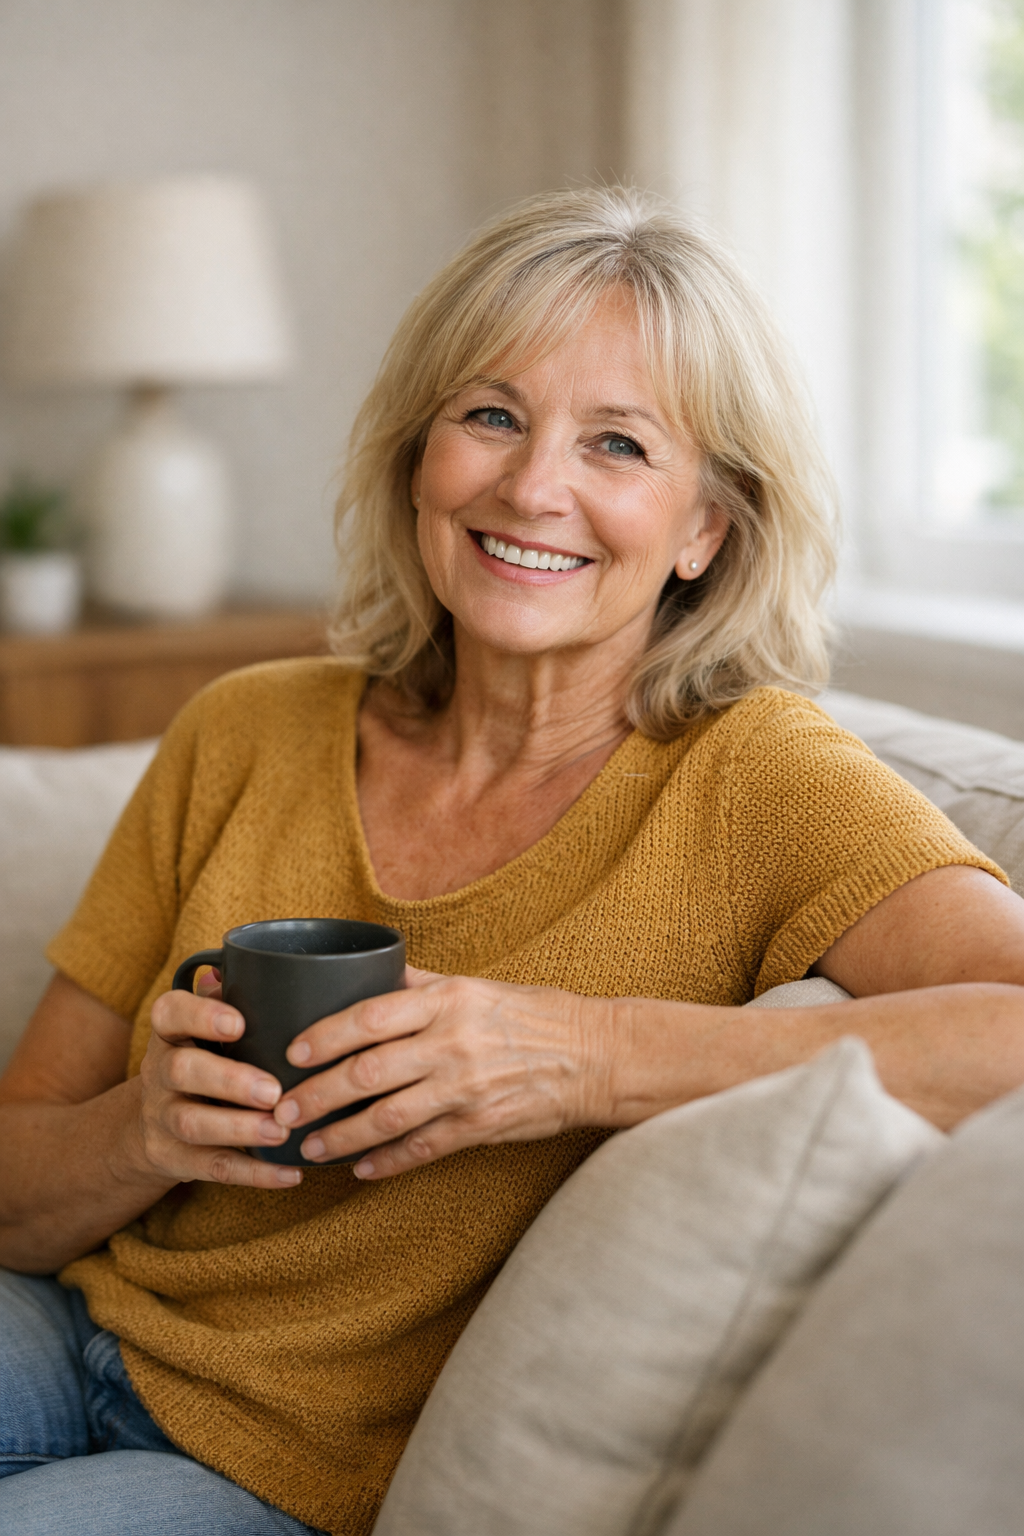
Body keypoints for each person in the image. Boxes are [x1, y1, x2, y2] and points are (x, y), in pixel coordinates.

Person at [1, 187, 1022, 1536]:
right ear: (420, 452)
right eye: (491, 414)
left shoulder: (760, 778)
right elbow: (19, 1186)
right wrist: (140, 1133)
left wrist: (586, 1056)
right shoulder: (243, 727)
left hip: (268, 1474)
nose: (532, 487)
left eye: (618, 444)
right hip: (60, 1327)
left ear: (705, 528)